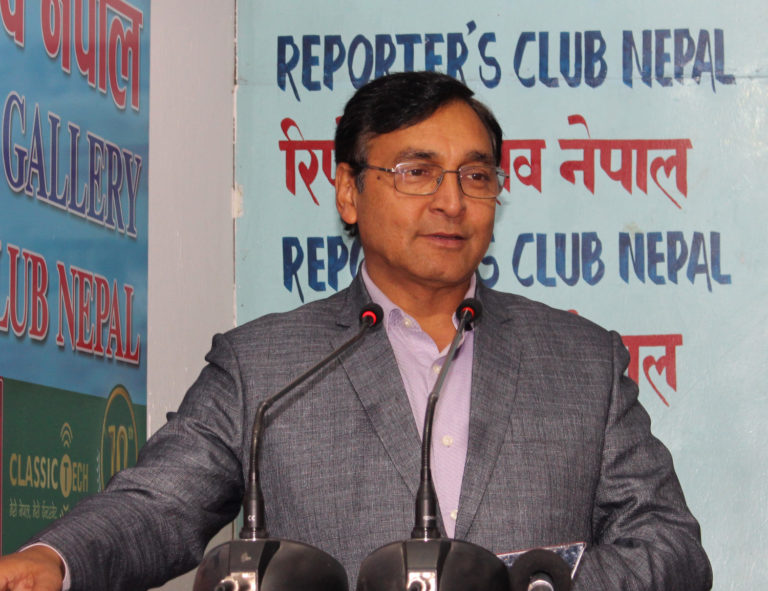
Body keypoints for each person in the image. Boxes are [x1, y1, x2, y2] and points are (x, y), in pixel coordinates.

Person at [0, 71, 712, 591]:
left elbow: (670, 545)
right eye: (417, 172)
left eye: (476, 176)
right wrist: (55, 560)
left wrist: (533, 583)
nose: (451, 201)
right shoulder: (265, 367)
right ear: (348, 191)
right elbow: (158, 504)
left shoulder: (582, 361)